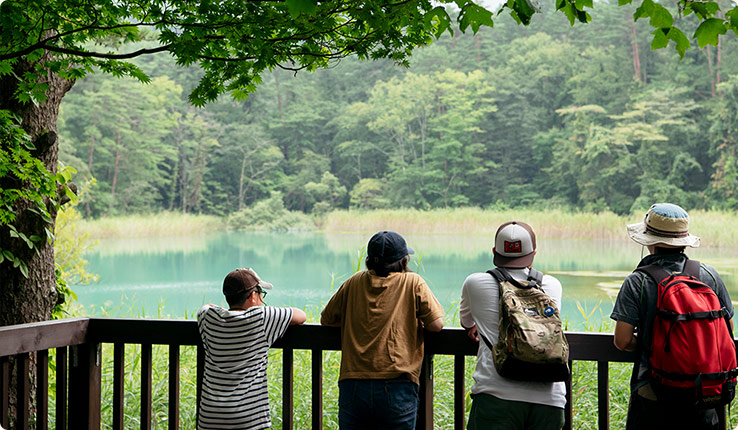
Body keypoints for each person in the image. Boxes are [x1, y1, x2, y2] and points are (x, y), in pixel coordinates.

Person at [611, 203, 733, 430]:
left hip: (653, 392)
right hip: (704, 393)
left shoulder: (638, 281)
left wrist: (654, 343)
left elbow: (622, 340)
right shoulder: (709, 275)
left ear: (650, 241)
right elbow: (727, 329)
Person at [321, 230, 445, 430]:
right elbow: (436, 325)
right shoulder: (412, 282)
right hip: (396, 383)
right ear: (403, 261)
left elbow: (327, 320)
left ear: (369, 260)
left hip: (353, 383)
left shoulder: (354, 282)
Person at [460, 221, 566, 430]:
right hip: (549, 400)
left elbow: (466, 322)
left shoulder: (475, 283)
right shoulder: (551, 285)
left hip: (496, 396)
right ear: (533, 253)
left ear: (494, 251)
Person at [197, 268, 307, 430]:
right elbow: (301, 315)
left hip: (211, 417)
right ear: (252, 296)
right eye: (260, 292)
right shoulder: (261, 317)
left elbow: (205, 307)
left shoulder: (209, 318)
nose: (262, 296)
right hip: (248, 419)